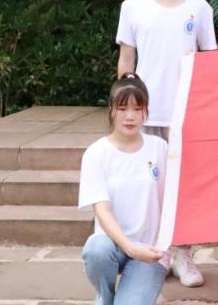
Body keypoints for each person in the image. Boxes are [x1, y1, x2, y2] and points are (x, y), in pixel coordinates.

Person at [116, 0, 217, 287]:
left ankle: (183, 254)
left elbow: (210, 61)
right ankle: (152, 254)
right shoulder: (132, 7)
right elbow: (126, 61)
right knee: (148, 184)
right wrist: (125, 109)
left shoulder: (198, 8)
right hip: (146, 112)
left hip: (187, 112)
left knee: (185, 186)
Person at [79, 74, 169, 305]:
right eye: (122, 108)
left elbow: (176, 198)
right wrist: (130, 248)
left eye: (137, 109)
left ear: (145, 111)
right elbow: (102, 211)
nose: (130, 116)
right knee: (96, 249)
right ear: (111, 110)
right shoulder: (96, 153)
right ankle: (105, 296)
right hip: (112, 246)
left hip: (149, 253)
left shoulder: (159, 148)